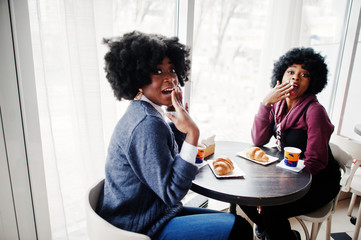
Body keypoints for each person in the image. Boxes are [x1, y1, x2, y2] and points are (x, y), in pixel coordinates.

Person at [96, 31, 252, 240]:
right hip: (140, 227)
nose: (169, 78)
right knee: (239, 229)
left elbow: (167, 162)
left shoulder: (145, 113)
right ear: (138, 78)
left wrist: (178, 129)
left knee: (237, 223)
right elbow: (172, 193)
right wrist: (192, 133)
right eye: (158, 71)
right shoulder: (147, 124)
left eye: (171, 70)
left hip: (153, 214)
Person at [240, 47, 341, 240]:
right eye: (291, 72)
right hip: (289, 172)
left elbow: (316, 162)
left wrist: (280, 189)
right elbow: (258, 140)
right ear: (281, 76)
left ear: (312, 82)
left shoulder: (314, 111)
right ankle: (275, 232)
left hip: (318, 180)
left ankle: (275, 232)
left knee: (271, 211)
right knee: (243, 194)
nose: (295, 78)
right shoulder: (277, 104)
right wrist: (265, 103)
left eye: (304, 74)